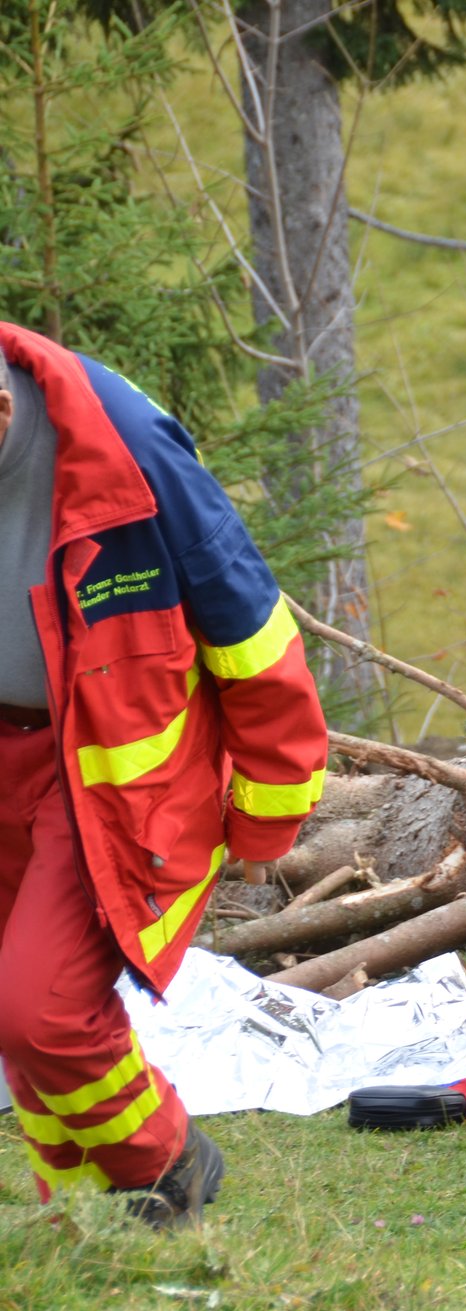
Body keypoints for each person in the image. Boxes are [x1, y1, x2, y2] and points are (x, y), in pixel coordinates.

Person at [0, 323, 328, 1224]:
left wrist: (268, 812)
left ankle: (167, 1163)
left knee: (41, 1010)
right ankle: (80, 1214)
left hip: (106, 774)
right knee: (18, 1013)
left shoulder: (124, 445)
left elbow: (250, 627)